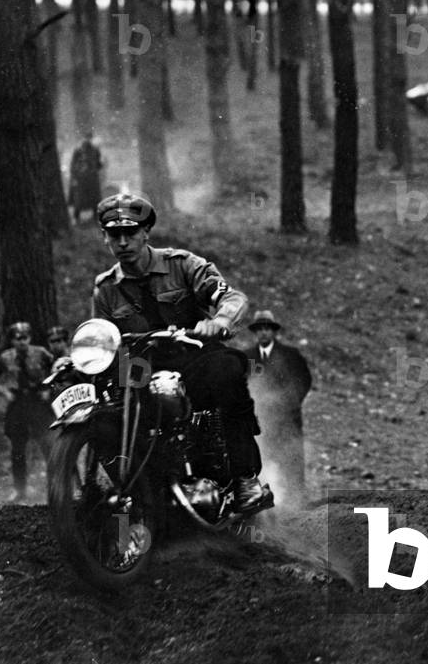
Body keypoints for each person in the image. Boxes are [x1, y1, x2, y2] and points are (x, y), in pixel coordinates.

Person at [91, 193, 270, 512]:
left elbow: (232, 298)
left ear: (145, 232)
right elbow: (102, 337)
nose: (122, 242)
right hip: (141, 372)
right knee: (101, 408)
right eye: (114, 235)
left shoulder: (183, 265)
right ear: (105, 237)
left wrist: (218, 322)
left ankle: (245, 480)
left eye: (130, 233)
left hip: (193, 359)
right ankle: (132, 490)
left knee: (226, 370)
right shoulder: (105, 289)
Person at [243, 310, 313, 497]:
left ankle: (297, 501)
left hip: (287, 418)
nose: (263, 333)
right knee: (262, 457)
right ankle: (266, 502)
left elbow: (303, 381)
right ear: (255, 333)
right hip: (260, 419)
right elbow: (243, 384)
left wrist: (289, 403)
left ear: (274, 331)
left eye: (267, 328)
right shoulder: (248, 357)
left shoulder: (290, 355)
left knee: (291, 459)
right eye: (259, 329)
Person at [0, 322, 55, 502]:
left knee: (48, 444)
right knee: (17, 448)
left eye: (25, 338)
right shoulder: (6, 357)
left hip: (38, 401)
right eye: (18, 339)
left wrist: (49, 388)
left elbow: (58, 368)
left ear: (29, 338)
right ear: (12, 341)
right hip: (18, 403)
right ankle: (20, 489)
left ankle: (56, 486)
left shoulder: (40, 353)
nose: (22, 342)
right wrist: (4, 391)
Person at [68, 131, 104, 223]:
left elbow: (98, 164)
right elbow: (74, 165)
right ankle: (78, 217)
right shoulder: (80, 150)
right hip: (84, 178)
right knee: (82, 199)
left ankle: (92, 217)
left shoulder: (93, 150)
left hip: (88, 178)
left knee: (90, 199)